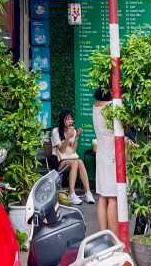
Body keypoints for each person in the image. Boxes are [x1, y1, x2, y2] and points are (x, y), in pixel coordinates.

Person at [50, 110, 94, 205]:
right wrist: (67, 138)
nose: (70, 121)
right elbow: (61, 150)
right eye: (67, 119)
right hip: (58, 161)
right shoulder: (55, 131)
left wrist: (76, 137)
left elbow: (73, 151)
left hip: (69, 158)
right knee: (74, 163)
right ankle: (71, 194)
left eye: (71, 119)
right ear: (62, 120)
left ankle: (88, 193)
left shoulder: (73, 131)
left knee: (80, 162)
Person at [92, 89, 117, 232]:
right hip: (112, 154)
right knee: (113, 198)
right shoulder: (112, 106)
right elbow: (122, 128)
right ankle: (115, 238)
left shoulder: (95, 106)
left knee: (102, 196)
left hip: (101, 153)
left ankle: (103, 233)